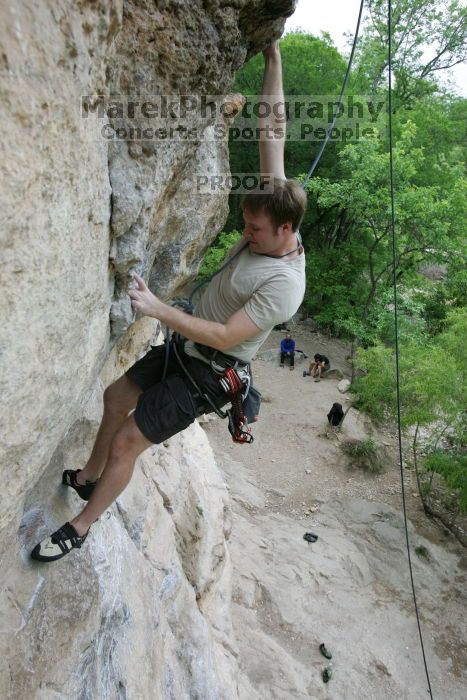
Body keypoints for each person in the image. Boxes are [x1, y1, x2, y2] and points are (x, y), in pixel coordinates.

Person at [31, 41, 307, 562]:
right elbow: (273, 128)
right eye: (245, 223)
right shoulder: (275, 202)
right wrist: (272, 57)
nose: (245, 233)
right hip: (188, 346)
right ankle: (89, 479)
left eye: (254, 229)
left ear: (285, 229)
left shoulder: (284, 286)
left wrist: (157, 309)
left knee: (128, 442)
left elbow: (226, 336)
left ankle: (81, 527)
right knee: (116, 396)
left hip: (209, 373)